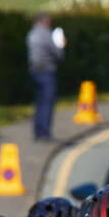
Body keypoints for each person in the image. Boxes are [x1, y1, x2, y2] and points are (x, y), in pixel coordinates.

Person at [27, 14, 65, 142]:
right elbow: (57, 53)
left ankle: (37, 131)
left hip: (35, 70)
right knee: (47, 102)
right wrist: (61, 45)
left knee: (39, 102)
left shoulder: (31, 34)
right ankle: (45, 132)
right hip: (47, 70)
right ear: (46, 22)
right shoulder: (46, 34)